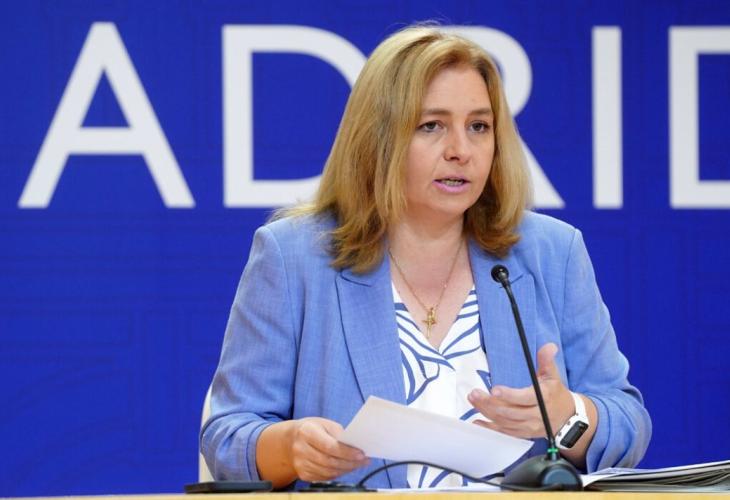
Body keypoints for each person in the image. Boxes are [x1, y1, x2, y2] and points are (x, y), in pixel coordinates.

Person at [201, 24, 651, 490]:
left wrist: (567, 414)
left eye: (478, 127)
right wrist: (290, 447)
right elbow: (227, 437)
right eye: (431, 126)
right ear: (377, 137)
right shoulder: (295, 258)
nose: (461, 151)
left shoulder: (550, 252)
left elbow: (628, 424)